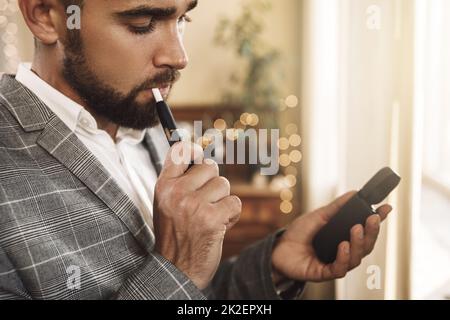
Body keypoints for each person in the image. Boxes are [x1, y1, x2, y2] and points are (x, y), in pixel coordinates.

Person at [0, 0, 392, 300]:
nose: (179, 56)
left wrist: (271, 266)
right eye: (143, 23)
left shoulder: (152, 127)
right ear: (45, 15)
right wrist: (177, 268)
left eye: (182, 19)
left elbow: (194, 295)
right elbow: (180, 278)